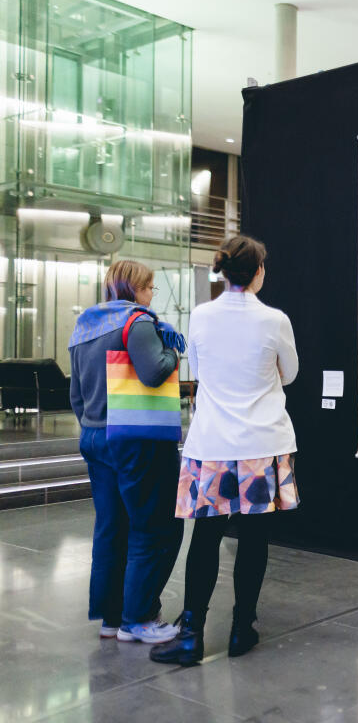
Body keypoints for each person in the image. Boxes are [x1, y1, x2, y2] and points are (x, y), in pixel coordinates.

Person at [151, 235, 299, 667]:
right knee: (254, 538)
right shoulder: (275, 320)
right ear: (256, 273)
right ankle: (241, 628)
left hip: (212, 443)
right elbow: (289, 375)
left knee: (206, 537)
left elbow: (196, 367)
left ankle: (191, 634)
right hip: (261, 444)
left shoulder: (202, 315)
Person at [68, 260, 186, 644]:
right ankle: (140, 619)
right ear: (135, 289)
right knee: (154, 527)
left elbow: (76, 395)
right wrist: (172, 351)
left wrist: (94, 425)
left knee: (110, 528)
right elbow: (153, 372)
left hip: (94, 436)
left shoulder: (86, 324)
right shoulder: (138, 321)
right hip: (138, 440)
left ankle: (111, 618)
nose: (152, 295)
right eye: (150, 288)